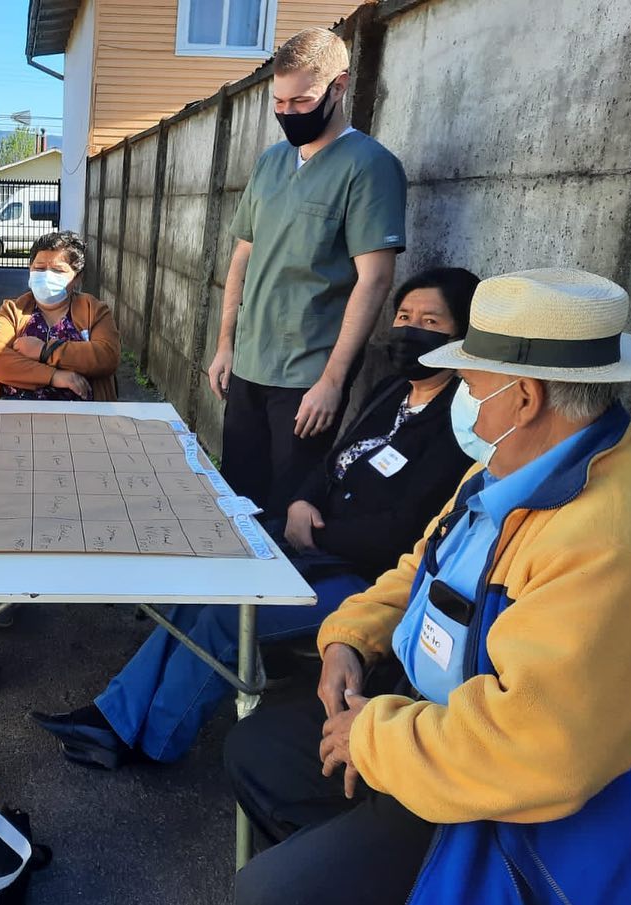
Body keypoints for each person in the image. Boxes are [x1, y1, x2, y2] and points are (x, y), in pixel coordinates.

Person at [224, 269, 631, 905]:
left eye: (472, 381)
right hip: (423, 716)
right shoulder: (510, 465)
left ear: (526, 397)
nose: (463, 394)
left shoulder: (609, 538)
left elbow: (536, 749)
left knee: (269, 891)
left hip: (503, 795)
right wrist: (349, 640)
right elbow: (422, 565)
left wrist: (372, 737)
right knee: (257, 750)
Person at [30, 267, 478, 768]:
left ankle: (153, 740)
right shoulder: (393, 390)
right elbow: (335, 458)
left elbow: (408, 529)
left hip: (362, 579)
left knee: (229, 618)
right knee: (206, 580)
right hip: (312, 544)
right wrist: (302, 502)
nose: (410, 329)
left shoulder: (463, 426)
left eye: (431, 321)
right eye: (403, 316)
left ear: (462, 336)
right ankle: (115, 716)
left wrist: (317, 533)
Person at [207, 27, 407, 518]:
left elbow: (375, 279)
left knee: (288, 502)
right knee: (238, 493)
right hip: (251, 360)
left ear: (338, 88)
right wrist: (225, 345)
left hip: (308, 372)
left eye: (301, 101)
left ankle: (279, 597)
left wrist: (333, 381)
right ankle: (233, 598)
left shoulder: (370, 166)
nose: (287, 113)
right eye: (279, 102)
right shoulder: (271, 162)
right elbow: (243, 257)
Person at [0, 231, 121, 402]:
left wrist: (44, 351)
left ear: (77, 278)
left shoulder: (94, 311)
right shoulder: (12, 311)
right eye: (39, 268)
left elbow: (107, 356)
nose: (46, 275)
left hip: (82, 417)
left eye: (57, 270)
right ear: (30, 270)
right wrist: (55, 376)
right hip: (16, 413)